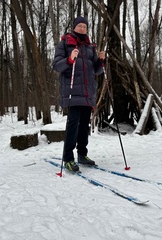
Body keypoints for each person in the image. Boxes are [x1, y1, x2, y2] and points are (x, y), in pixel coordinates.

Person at [53, 16, 106, 172]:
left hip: (87, 93)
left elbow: (96, 70)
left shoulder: (90, 47)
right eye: (80, 26)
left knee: (84, 125)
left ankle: (82, 154)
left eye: (85, 26)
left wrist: (101, 61)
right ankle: (68, 157)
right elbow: (56, 65)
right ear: (74, 27)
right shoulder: (65, 43)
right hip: (72, 92)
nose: (83, 29)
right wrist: (69, 59)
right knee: (73, 125)